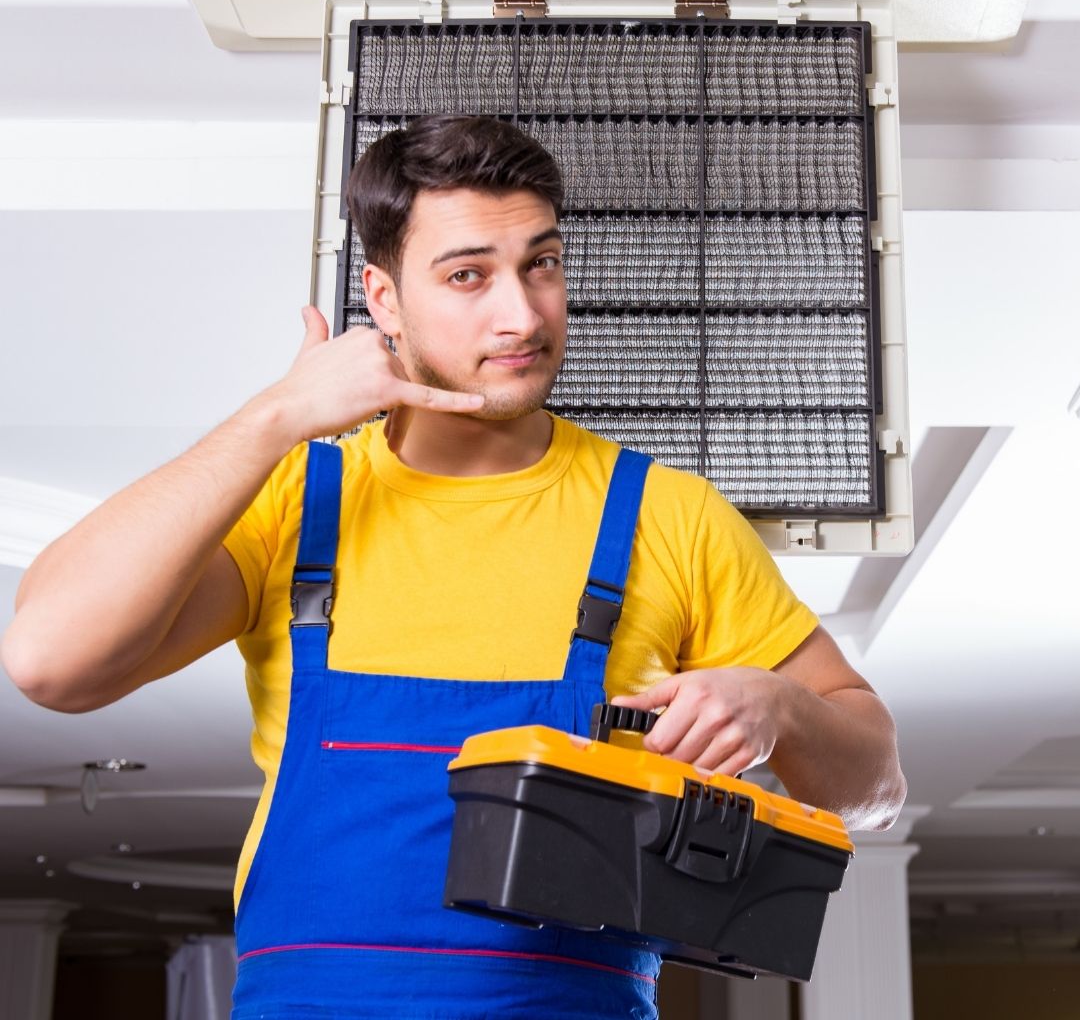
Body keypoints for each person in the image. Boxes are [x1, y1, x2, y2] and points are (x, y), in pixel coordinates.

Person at [2, 115, 906, 1019]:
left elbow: (876, 786)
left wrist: (781, 708)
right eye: (468, 275)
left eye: (541, 264)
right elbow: (49, 659)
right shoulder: (296, 502)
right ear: (384, 300)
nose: (521, 313)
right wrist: (272, 417)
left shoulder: (668, 517)